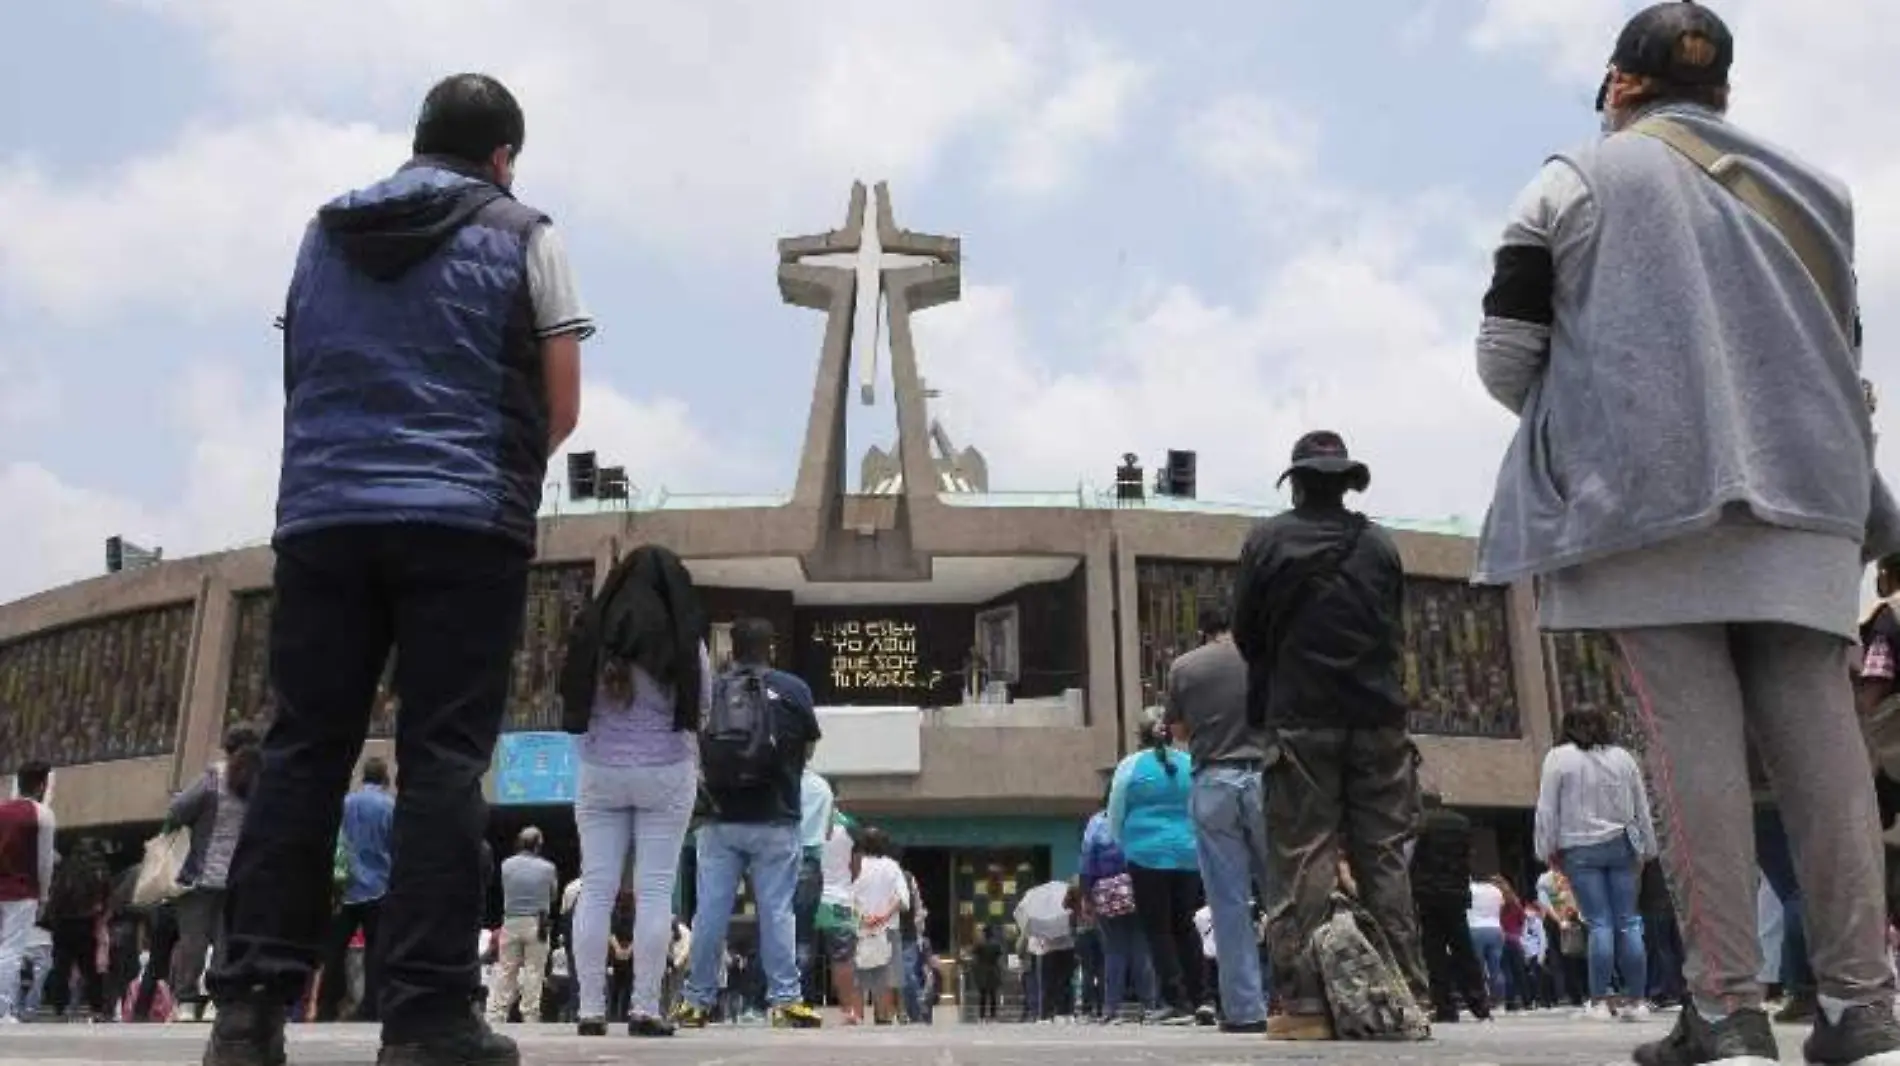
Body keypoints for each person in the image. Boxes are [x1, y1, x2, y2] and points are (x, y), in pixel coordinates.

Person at [1473, 4, 1900, 1062]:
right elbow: (1837, 349)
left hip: (1651, 501)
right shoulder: (1818, 191)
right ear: (1721, 96)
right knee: (1825, 750)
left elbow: (1504, 359)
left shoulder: (1566, 179)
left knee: (1691, 748)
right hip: (1810, 499)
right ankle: (1861, 1008)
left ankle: (1725, 1010)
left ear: (1619, 86)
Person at [204, 71, 592, 1066]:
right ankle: (425, 1017)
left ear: (417, 141)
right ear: (504, 155)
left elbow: (302, 371)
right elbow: (562, 407)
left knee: (300, 751)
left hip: (326, 515)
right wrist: (501, 476)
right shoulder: (526, 232)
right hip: (463, 520)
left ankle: (248, 1012)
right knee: (442, 759)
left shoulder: (321, 233)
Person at [1233, 430, 1427, 1041]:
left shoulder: (1267, 541)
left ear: (1296, 482)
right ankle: (1407, 992)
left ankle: (1308, 1000)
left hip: (1301, 717)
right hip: (1379, 719)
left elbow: (1246, 631)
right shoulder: (1380, 546)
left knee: (1303, 854)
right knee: (1383, 855)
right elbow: (1395, 630)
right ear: (1347, 482)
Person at [565, 545, 707, 1039]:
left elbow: (571, 696)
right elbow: (701, 706)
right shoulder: (683, 636)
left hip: (599, 770)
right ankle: (645, 1008)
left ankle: (588, 1009)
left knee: (595, 887)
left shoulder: (593, 630)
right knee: (654, 891)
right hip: (667, 771)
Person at [674, 618, 825, 1030]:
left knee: (710, 910)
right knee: (777, 909)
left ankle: (697, 1001)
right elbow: (807, 750)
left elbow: (693, 743)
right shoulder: (793, 689)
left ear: (730, 650)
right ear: (770, 649)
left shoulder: (714, 689)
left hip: (720, 818)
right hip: (777, 815)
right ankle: (785, 1000)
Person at [1162, 602, 1273, 1034]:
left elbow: (1179, 732)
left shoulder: (1184, 667)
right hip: (1265, 778)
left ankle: (1245, 1010)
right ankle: (1302, 998)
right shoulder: (1264, 655)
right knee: (1283, 894)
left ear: (1204, 631)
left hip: (1213, 781)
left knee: (1228, 903)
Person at [1533, 708, 1655, 1022]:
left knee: (1599, 923)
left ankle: (1600, 1001)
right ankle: (1638, 1000)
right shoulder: (1623, 758)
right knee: (1628, 922)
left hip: (1579, 846)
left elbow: (1547, 809)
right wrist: (1648, 847)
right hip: (1623, 844)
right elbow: (1641, 803)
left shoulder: (1558, 757)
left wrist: (1545, 848)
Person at [1107, 715, 1204, 1026]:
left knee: (1158, 930)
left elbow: (1116, 811)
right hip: (1188, 853)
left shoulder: (1130, 765)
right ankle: (1203, 999)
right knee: (1185, 926)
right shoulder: (1190, 763)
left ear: (1141, 736)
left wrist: (1127, 843)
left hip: (1146, 854)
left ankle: (1177, 1002)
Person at [167, 731, 263, 1020]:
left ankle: (185, 1002)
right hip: (237, 877)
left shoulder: (211, 779)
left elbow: (178, 810)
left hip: (199, 874)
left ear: (226, 748)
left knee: (192, 940)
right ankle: (217, 1001)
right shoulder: (258, 783)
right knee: (225, 942)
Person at [321, 758, 396, 1023]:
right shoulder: (390, 806)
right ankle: (371, 1007)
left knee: (335, 948)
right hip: (379, 886)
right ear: (385, 777)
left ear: (363, 776)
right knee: (376, 950)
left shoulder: (346, 803)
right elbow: (395, 845)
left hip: (345, 886)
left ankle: (327, 1005)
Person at [1409, 792, 1491, 1023]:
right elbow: (1467, 855)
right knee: (1463, 947)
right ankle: (1479, 1003)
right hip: (1456, 892)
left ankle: (1444, 1005)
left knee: (1433, 952)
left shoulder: (1420, 823)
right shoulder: (1461, 823)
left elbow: (1411, 857)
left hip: (1428, 894)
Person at [1080, 792, 1157, 1024]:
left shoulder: (1097, 822)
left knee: (1114, 951)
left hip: (1108, 891)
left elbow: (1086, 861)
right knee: (1141, 949)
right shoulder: (1139, 819)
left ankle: (1111, 1008)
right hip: (1138, 887)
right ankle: (1151, 1005)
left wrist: (1087, 896)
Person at [0, 761, 55, 1025]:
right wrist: (44, 896)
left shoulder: (1, 810)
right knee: (11, 949)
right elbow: (44, 862)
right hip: (22, 891)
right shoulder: (42, 814)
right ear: (43, 784)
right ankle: (2, 1008)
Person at [489, 829, 558, 1026]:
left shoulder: (506, 864)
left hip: (510, 921)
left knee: (506, 969)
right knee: (534, 970)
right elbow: (553, 895)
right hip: (537, 923)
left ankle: (497, 1013)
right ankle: (530, 1014)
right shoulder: (548, 868)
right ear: (538, 844)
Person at [43, 838, 111, 1021]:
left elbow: (54, 899)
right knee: (90, 968)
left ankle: (59, 1007)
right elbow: (104, 898)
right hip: (85, 922)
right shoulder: (96, 871)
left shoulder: (63, 870)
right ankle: (97, 1007)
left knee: (61, 967)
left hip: (62, 924)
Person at [852, 828, 911, 1025]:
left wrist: (864, 917)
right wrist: (882, 916)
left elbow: (846, 898)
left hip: (859, 928)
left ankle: (857, 1017)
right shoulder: (891, 866)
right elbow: (902, 898)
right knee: (886, 978)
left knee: (857, 978)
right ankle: (883, 1017)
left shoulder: (854, 866)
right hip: (887, 929)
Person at [814, 808, 860, 1022]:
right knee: (843, 957)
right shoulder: (849, 825)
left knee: (802, 949)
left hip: (809, 895)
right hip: (840, 900)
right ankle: (848, 1009)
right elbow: (856, 867)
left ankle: (798, 1003)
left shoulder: (804, 818)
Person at [795, 768, 835, 1006]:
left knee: (772, 930)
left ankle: (760, 1001)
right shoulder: (822, 786)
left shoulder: (779, 779)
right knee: (804, 937)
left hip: (778, 860)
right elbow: (828, 830)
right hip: (810, 860)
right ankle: (801, 998)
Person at [1467, 877, 1508, 1013]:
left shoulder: (1470, 889)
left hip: (1475, 928)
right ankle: (1500, 1001)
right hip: (1495, 928)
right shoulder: (1495, 890)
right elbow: (1501, 907)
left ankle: (1482, 1001)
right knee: (1496, 968)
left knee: (1478, 968)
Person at [967, 925, 1005, 1023]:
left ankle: (982, 1016)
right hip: (993, 971)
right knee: (993, 995)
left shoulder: (980, 945)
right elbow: (1000, 955)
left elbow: (973, 953)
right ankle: (993, 1016)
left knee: (983, 995)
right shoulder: (996, 945)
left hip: (982, 972)